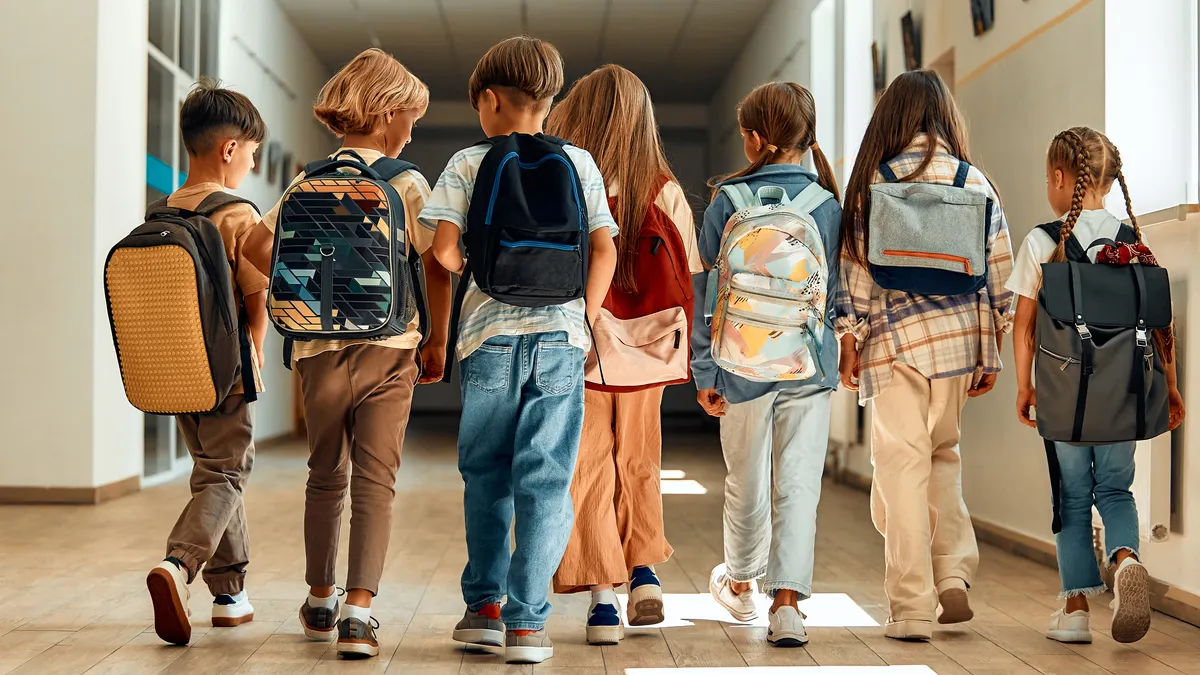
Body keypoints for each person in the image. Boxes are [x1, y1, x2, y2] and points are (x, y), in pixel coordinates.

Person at [422, 36, 618, 665]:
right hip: (561, 339)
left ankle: (482, 608)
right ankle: (528, 626)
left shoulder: (467, 162)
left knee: (486, 475)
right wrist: (581, 320)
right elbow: (605, 251)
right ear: (549, 101)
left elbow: (444, 252)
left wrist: (477, 263)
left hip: (489, 340)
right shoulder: (580, 162)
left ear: (488, 100)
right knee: (548, 479)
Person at [257, 48, 450, 660]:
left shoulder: (306, 180)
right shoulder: (407, 182)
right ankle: (359, 613)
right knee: (376, 480)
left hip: (315, 352)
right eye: (410, 118)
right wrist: (438, 337)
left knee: (323, 475)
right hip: (389, 348)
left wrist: (306, 290)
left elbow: (258, 249)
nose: (411, 130)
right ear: (389, 113)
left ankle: (319, 597)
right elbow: (439, 263)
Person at [835, 70, 1013, 641]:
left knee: (901, 468)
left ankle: (911, 606)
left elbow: (855, 273)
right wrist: (994, 350)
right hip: (960, 342)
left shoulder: (873, 183)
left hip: (895, 343)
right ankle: (954, 573)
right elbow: (1000, 273)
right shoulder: (973, 181)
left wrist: (848, 339)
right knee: (944, 456)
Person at [1009, 127, 1185, 644]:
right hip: (1126, 392)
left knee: (1071, 495)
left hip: (1066, 398)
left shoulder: (1043, 241)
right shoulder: (1135, 242)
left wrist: (1026, 387)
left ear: (1062, 179)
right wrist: (1170, 390)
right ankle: (1127, 559)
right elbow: (1160, 327)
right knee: (1115, 489)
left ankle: (1077, 611)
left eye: (1048, 178)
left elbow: (1023, 328)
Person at [546, 64, 700, 644]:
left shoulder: (570, 179)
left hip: (583, 343)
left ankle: (602, 599)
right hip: (648, 350)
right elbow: (691, 272)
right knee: (640, 457)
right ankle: (645, 574)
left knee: (586, 465)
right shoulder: (665, 188)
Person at [694, 82, 842, 648]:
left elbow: (708, 294)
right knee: (799, 484)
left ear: (754, 139)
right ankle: (788, 605)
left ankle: (740, 582)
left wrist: (706, 373)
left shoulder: (727, 202)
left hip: (741, 365)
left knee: (746, 480)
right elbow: (840, 293)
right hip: (810, 362)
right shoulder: (827, 205)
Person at [145, 78, 268, 646]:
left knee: (214, 471)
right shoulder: (236, 213)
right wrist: (258, 349)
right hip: (225, 368)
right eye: (251, 152)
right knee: (226, 471)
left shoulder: (161, 210)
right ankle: (178, 565)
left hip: (173, 366)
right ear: (228, 149)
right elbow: (255, 294)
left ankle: (230, 595)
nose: (250, 162)